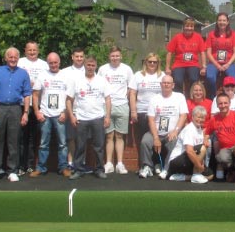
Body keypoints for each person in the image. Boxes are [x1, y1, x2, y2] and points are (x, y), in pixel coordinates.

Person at [0, 47, 32, 184]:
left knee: (14, 140)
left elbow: (27, 94)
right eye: (10, 57)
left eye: (15, 57)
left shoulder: (23, 73)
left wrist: (26, 113)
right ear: (5, 58)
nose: (13, 59)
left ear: (18, 58)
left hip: (16, 108)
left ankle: (12, 170)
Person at [66, 55, 111, 180]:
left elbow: (107, 99)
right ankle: (78, 170)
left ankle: (99, 170)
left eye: (92, 65)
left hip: (98, 117)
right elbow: (69, 100)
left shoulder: (102, 80)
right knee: (80, 146)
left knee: (99, 146)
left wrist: (107, 116)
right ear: (84, 65)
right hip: (81, 118)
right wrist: (72, 116)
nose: (90, 67)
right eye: (88, 65)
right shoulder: (77, 80)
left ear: (96, 66)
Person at [30, 52, 71, 178]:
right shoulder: (42, 75)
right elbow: (35, 94)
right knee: (43, 143)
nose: (53, 65)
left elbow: (70, 97)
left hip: (60, 115)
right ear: (47, 63)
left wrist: (65, 113)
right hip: (45, 115)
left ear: (59, 62)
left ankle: (63, 168)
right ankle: (41, 168)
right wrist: (37, 111)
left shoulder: (65, 76)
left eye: (55, 62)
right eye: (51, 63)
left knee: (63, 144)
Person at [139, 75, 188, 178]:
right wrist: (156, 137)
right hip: (156, 132)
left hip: (172, 132)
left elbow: (183, 116)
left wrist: (176, 131)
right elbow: (151, 119)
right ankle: (147, 167)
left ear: (173, 85)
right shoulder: (154, 99)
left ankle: (167, 168)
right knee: (145, 141)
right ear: (161, 85)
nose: (166, 85)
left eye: (168, 83)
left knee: (174, 143)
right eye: (164, 83)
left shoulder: (179, 97)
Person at [98, 46, 133, 175]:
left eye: (117, 55)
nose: (115, 58)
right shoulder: (102, 69)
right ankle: (108, 163)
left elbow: (130, 88)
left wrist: (124, 98)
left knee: (119, 135)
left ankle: (119, 163)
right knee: (108, 136)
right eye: (113, 56)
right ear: (109, 56)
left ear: (121, 56)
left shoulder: (127, 69)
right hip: (106, 105)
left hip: (122, 105)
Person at [17, 40, 49, 174]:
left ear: (38, 50)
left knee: (32, 137)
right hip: (21, 104)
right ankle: (19, 166)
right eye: (29, 50)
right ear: (25, 50)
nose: (32, 52)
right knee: (20, 136)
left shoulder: (44, 64)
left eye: (34, 50)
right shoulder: (20, 62)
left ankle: (30, 164)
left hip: (37, 105)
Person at [204, 93, 235, 186]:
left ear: (229, 103)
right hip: (225, 148)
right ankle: (233, 171)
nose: (223, 105)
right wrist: (205, 139)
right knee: (220, 157)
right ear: (217, 105)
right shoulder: (214, 119)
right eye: (220, 103)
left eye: (225, 103)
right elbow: (207, 132)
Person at [163, 106, 211, 184]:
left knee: (210, 175)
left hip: (189, 160)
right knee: (202, 148)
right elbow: (189, 151)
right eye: (198, 117)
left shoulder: (199, 130)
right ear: (192, 117)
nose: (200, 120)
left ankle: (180, 177)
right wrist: (199, 166)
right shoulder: (189, 129)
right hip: (177, 161)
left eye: (202, 118)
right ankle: (195, 175)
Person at [129, 53, 165, 154]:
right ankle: (143, 166)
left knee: (160, 138)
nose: (152, 64)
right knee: (142, 140)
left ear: (158, 63)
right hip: (142, 111)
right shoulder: (138, 75)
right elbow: (132, 94)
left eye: (155, 62)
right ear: (146, 62)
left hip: (159, 112)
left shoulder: (162, 75)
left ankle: (157, 164)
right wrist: (133, 111)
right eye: (150, 61)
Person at [165, 17, 206, 94]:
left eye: (191, 26)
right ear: (183, 27)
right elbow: (169, 53)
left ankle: (190, 97)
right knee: (177, 80)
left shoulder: (198, 37)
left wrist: (203, 67)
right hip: (179, 64)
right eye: (187, 26)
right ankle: (179, 97)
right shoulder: (177, 37)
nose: (189, 28)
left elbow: (202, 52)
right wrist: (167, 68)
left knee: (194, 79)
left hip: (193, 64)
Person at [60, 47, 85, 169]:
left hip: (85, 111)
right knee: (71, 138)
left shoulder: (90, 71)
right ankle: (70, 162)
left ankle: (81, 162)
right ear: (72, 57)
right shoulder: (64, 72)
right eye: (77, 56)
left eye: (81, 56)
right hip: (70, 110)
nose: (79, 58)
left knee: (82, 139)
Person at [205, 12, 235, 96]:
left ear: (227, 22)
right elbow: (208, 53)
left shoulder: (233, 34)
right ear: (217, 22)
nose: (222, 22)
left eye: (224, 20)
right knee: (210, 77)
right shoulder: (211, 34)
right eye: (220, 20)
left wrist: (228, 64)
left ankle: (229, 96)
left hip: (229, 63)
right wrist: (217, 65)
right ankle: (213, 97)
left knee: (234, 78)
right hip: (213, 63)